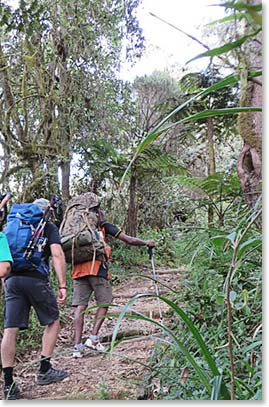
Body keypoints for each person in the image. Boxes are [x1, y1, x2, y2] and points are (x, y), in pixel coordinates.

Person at [71, 193, 155, 358]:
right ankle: (93, 339)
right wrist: (146, 243)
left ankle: (77, 346)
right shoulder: (104, 225)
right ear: (97, 212)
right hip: (97, 268)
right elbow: (129, 240)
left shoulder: (75, 225)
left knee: (80, 307)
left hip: (78, 269)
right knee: (104, 302)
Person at [1, 198, 69, 400]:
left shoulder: (10, 225)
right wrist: (63, 285)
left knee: (9, 330)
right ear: (45, 211)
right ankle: (44, 369)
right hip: (36, 279)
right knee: (53, 321)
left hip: (11, 280)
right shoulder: (47, 226)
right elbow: (57, 255)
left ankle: (8, 384)